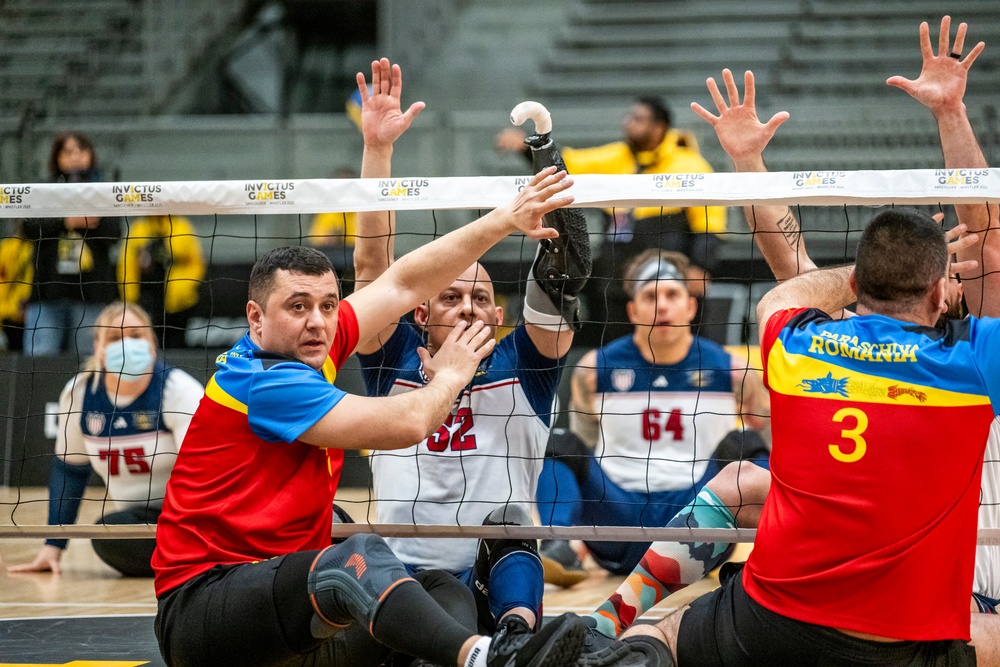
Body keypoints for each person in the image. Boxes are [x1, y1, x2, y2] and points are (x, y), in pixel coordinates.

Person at [582, 18, 1000, 666]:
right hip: (893, 576)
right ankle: (609, 617)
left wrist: (951, 113)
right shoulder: (969, 353)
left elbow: (982, 224)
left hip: (974, 560)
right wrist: (748, 165)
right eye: (955, 255)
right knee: (741, 480)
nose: (969, 250)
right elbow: (794, 263)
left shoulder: (970, 340)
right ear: (939, 285)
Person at [149, 112, 588, 665]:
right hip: (210, 608)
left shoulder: (326, 345)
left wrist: (502, 218)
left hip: (293, 609)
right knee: (353, 555)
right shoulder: (267, 380)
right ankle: (487, 657)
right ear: (256, 319)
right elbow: (407, 420)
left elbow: (400, 281)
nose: (317, 322)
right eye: (298, 308)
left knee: (445, 583)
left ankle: (499, 643)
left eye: (327, 307)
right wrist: (450, 375)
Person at [352, 59, 590, 636]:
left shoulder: (526, 363)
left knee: (511, 524)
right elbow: (370, 268)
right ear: (419, 312)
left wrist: (543, 148)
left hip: (493, 570)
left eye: (481, 298)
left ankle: (518, 636)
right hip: (400, 576)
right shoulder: (393, 358)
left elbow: (565, 267)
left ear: (499, 313)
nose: (467, 307)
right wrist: (377, 152)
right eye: (451, 296)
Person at [535, 248, 770, 588]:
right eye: (650, 296)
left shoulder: (735, 372)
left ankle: (775, 549)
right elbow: (581, 448)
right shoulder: (592, 370)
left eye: (672, 294)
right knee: (559, 444)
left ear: (691, 305)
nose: (662, 306)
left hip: (698, 517)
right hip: (617, 519)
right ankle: (557, 545)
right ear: (632, 310)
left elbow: (772, 447)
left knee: (747, 445)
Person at [496, 97, 725, 344]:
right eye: (629, 117)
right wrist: (528, 146)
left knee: (680, 351)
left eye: (638, 119)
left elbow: (709, 226)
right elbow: (564, 165)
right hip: (616, 286)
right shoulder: (616, 157)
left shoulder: (690, 165)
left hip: (668, 285)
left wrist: (701, 267)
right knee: (619, 356)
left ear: (659, 127)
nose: (628, 124)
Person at [8, 301, 203, 577]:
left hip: (192, 515)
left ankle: (203, 554)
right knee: (108, 533)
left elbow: (203, 473)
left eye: (136, 335)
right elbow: (69, 473)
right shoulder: (79, 394)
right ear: (98, 347)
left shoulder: (178, 389)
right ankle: (191, 561)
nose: (126, 344)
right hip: (142, 522)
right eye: (114, 337)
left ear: (151, 341)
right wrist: (52, 547)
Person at [22, 131, 122, 356]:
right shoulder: (43, 188)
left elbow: (115, 233)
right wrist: (68, 221)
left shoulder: (103, 189)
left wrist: (88, 222)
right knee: (40, 361)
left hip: (93, 294)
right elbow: (29, 228)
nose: (75, 156)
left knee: (90, 362)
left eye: (81, 150)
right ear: (57, 157)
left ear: (91, 155)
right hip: (48, 291)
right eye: (68, 151)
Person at [118, 214, 205, 348]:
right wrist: (130, 298)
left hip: (178, 303)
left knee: (177, 345)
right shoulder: (138, 228)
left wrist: (185, 289)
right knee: (148, 344)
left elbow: (196, 263)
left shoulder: (181, 226)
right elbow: (127, 266)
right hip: (146, 300)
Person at [0, 219, 33, 351]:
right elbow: (4, 281)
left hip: (30, 310)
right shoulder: (9, 248)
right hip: (12, 314)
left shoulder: (34, 247)